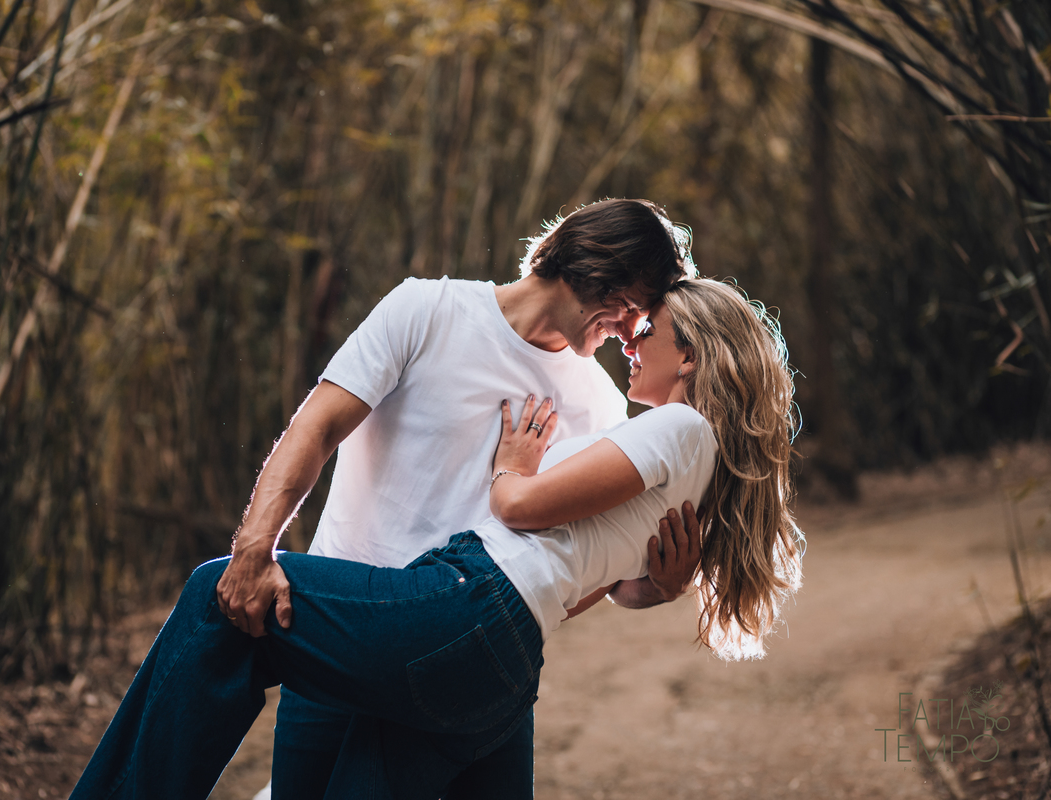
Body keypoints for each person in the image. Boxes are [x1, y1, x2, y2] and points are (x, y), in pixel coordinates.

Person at [69, 278, 804, 800]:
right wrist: (662, 588)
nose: (632, 340)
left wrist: (511, 470)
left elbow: (518, 510)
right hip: (504, 659)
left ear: (695, 355)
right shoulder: (691, 465)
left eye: (650, 330)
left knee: (210, 593)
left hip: (464, 606)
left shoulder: (673, 429)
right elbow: (595, 577)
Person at [225, 198, 700, 800]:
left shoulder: (602, 409)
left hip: (466, 674)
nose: (632, 330)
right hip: (341, 636)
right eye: (632, 306)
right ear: (594, 265)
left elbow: (580, 576)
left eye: (643, 318)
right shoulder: (427, 310)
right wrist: (254, 549)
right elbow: (314, 428)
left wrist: (658, 585)